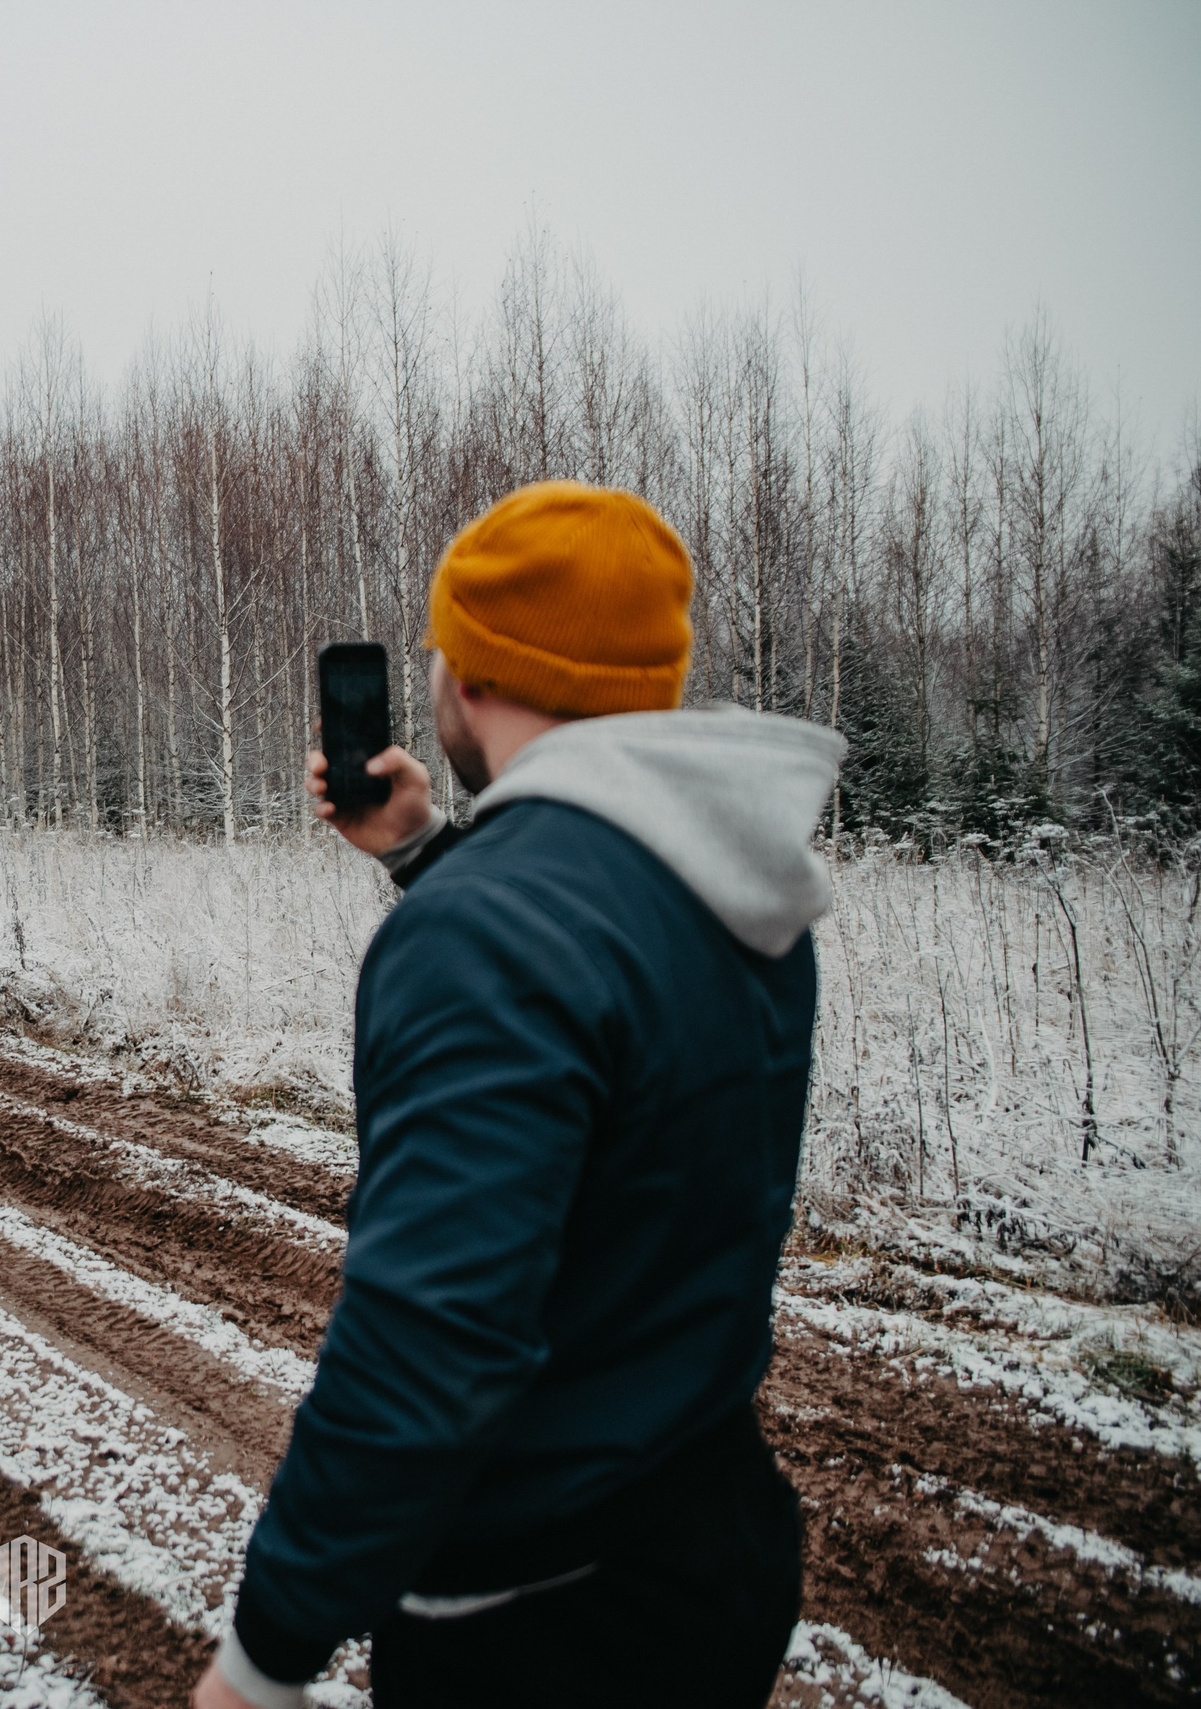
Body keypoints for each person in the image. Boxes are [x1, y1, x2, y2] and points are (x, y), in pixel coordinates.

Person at [196, 482, 842, 1709]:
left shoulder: (484, 937)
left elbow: (427, 1347)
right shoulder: (737, 885)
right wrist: (424, 853)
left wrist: (262, 1654)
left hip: (542, 1626)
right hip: (709, 1539)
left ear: (475, 673)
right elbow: (614, 1044)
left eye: (444, 644)